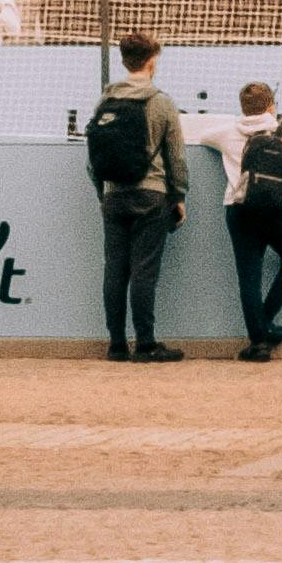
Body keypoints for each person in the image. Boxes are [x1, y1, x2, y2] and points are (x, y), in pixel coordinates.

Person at [80, 35, 191, 364]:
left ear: (125, 61)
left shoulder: (106, 99)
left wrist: (104, 192)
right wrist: (179, 195)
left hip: (114, 195)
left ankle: (116, 345)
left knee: (114, 270)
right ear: (152, 60)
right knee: (144, 271)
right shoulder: (161, 102)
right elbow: (177, 158)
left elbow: (93, 157)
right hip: (151, 193)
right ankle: (145, 343)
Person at [220, 76, 282, 364]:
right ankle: (266, 323)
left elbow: (202, 135)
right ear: (271, 106)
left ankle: (259, 341)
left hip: (239, 209)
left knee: (249, 278)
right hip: (275, 211)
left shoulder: (227, 134)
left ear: (243, 108)